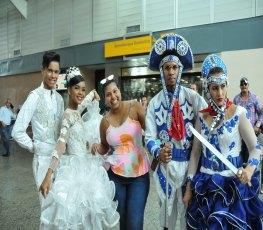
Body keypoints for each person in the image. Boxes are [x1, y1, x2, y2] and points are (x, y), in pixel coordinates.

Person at [184, 54, 263, 229]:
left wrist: (249, 169)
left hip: (231, 186)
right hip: (205, 185)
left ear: (227, 85)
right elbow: (195, 155)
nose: (220, 93)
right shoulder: (201, 117)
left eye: (223, 86)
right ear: (207, 88)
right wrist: (189, 187)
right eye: (214, 88)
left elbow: (255, 148)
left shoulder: (239, 113)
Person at [39, 67, 119, 229]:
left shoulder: (76, 111)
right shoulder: (68, 115)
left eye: (83, 89)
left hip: (87, 165)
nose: (81, 93)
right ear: (68, 90)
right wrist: (49, 174)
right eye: (77, 89)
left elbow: (84, 103)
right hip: (74, 171)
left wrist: (93, 94)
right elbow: (61, 146)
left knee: (88, 216)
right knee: (76, 217)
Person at [145, 34, 207, 229]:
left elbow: (209, 120)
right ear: (161, 71)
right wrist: (157, 152)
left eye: (174, 67)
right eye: (167, 67)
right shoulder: (154, 103)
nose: (171, 72)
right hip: (167, 167)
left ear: (180, 70)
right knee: (167, 217)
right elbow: (148, 137)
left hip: (190, 166)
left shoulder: (193, 98)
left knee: (188, 217)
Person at [92, 77, 149, 230]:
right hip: (115, 176)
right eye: (108, 94)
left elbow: (150, 132)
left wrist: (158, 151)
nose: (113, 97)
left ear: (120, 92)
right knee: (123, 223)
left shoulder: (135, 107)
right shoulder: (104, 121)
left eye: (115, 91)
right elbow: (105, 146)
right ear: (105, 99)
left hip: (139, 175)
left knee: (134, 224)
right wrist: (98, 147)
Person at [12, 51, 64, 204]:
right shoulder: (34, 96)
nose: (53, 75)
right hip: (42, 162)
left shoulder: (60, 99)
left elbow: (62, 129)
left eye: (56, 71)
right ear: (42, 70)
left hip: (58, 161)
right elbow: (17, 131)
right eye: (50, 71)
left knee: (59, 207)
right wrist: (33, 147)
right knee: (47, 208)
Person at [233, 77, 263, 163]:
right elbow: (233, 114)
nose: (244, 86)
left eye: (245, 84)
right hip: (239, 133)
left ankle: (252, 173)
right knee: (240, 154)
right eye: (242, 84)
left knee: (252, 153)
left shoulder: (255, 98)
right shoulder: (236, 99)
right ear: (240, 86)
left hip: (252, 132)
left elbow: (261, 113)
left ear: (248, 85)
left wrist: (257, 126)